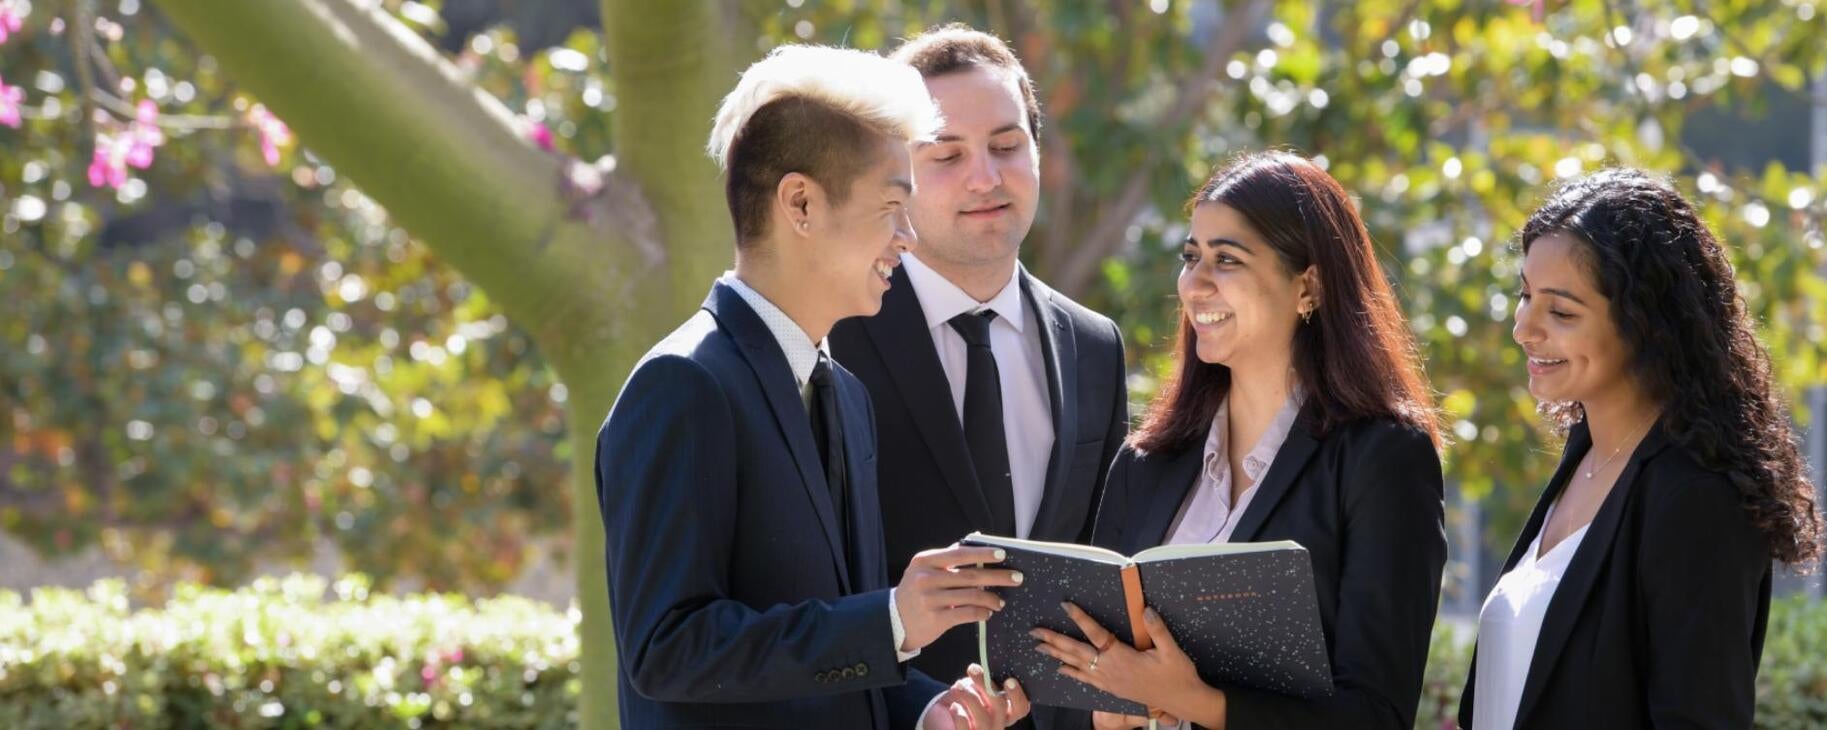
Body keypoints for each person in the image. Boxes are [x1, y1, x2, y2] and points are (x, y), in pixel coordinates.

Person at [595, 44, 1033, 730]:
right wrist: (890, 619)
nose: (908, 238)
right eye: (892, 205)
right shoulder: (681, 386)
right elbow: (666, 650)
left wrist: (926, 710)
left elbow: (834, 652)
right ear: (799, 202)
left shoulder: (847, 396)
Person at [1032, 150, 1448, 729]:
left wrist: (1198, 703)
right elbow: (1072, 695)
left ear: (1310, 286)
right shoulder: (1145, 462)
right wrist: (1107, 715)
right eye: (1191, 256)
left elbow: (1376, 714)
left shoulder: (1383, 459)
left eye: (1226, 260)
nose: (1195, 285)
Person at [1460, 168, 1826, 729]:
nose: (1524, 329)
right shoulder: (1585, 458)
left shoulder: (1697, 499)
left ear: (1646, 325)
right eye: (1525, 296)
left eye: (1561, 312)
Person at [829, 23, 1130, 698]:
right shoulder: (834, 337)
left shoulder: (1095, 347)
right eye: (946, 155)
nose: (986, 177)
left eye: (1005, 145)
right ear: (895, 176)